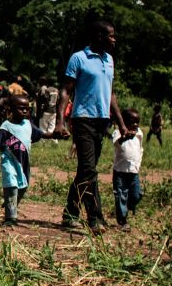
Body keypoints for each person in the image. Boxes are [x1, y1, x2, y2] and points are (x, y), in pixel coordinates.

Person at [54, 19, 131, 233]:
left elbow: (111, 93)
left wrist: (121, 124)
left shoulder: (109, 60)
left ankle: (70, 213)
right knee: (89, 169)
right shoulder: (78, 58)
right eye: (111, 35)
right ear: (99, 36)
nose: (114, 39)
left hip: (102, 121)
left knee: (85, 171)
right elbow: (65, 91)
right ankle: (95, 219)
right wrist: (60, 121)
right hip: (83, 120)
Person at [0, 95, 59, 226]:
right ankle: (10, 218)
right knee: (12, 184)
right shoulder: (6, 126)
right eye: (21, 108)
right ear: (11, 109)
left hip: (24, 164)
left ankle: (9, 202)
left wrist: (56, 135)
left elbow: (42, 134)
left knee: (23, 186)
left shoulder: (28, 125)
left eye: (27, 109)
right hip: (9, 162)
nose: (25, 111)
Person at [111, 109, 144, 230]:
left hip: (134, 172)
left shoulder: (139, 133)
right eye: (132, 121)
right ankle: (122, 220)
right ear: (123, 122)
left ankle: (127, 206)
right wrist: (124, 137)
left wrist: (138, 164)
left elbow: (140, 149)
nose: (135, 124)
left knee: (136, 195)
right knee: (121, 195)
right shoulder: (118, 132)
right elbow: (116, 143)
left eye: (137, 122)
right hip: (120, 171)